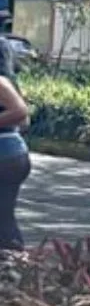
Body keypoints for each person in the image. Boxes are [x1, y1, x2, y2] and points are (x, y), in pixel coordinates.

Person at [0, 46, 29, 251]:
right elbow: (25, 121)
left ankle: (17, 267)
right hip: (13, 151)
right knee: (4, 218)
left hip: (5, 154)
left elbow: (20, 112)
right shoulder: (9, 82)